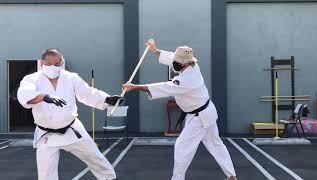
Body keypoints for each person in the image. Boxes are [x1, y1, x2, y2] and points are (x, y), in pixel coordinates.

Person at [123, 39, 237, 180]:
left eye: (178, 62)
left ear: (186, 63)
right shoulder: (192, 65)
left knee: (182, 147)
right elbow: (172, 58)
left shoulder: (187, 79)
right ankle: (231, 176)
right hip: (205, 112)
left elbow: (164, 87)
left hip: (199, 117)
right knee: (216, 144)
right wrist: (155, 50)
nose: (175, 63)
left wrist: (135, 87)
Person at [17, 48, 122, 180]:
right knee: (45, 173)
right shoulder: (32, 79)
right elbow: (24, 95)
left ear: (62, 62)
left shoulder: (71, 77)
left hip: (72, 128)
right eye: (48, 64)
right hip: (46, 133)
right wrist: (45, 97)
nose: (52, 67)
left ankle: (109, 178)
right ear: (42, 63)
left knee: (95, 157)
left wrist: (107, 99)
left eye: (56, 64)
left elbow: (87, 93)